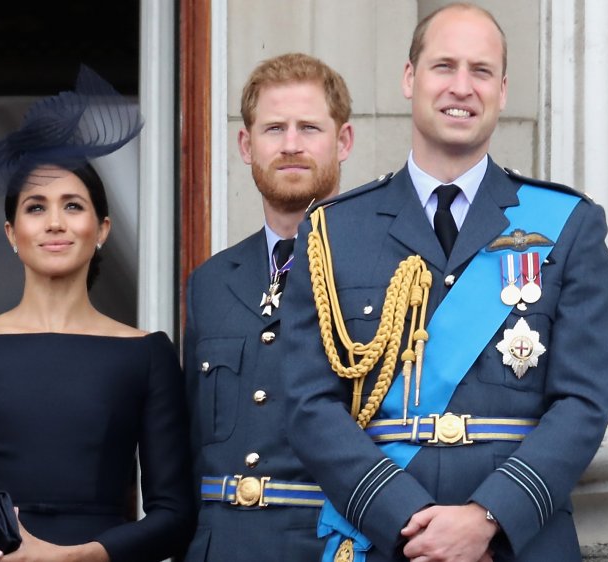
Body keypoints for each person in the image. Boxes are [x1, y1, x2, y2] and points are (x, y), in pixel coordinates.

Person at [281, 4, 608, 561]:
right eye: (444, 67)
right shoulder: (333, 230)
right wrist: (409, 521)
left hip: (517, 542)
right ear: (410, 78)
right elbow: (309, 404)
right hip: (386, 540)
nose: (461, 87)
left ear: (502, 90)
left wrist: (488, 519)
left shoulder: (569, 225)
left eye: (480, 71)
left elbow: (582, 403)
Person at [0, 66, 194, 562]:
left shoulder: (147, 354)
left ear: (102, 229)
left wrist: (78, 556)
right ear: (10, 233)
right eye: (36, 207)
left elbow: (175, 515)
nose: (56, 223)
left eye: (73, 206)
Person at [181, 53, 353, 561]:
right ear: (245, 144)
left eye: (309, 128)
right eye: (274, 128)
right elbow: (192, 450)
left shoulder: (386, 270)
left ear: (343, 141)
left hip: (331, 546)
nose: (292, 144)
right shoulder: (210, 283)